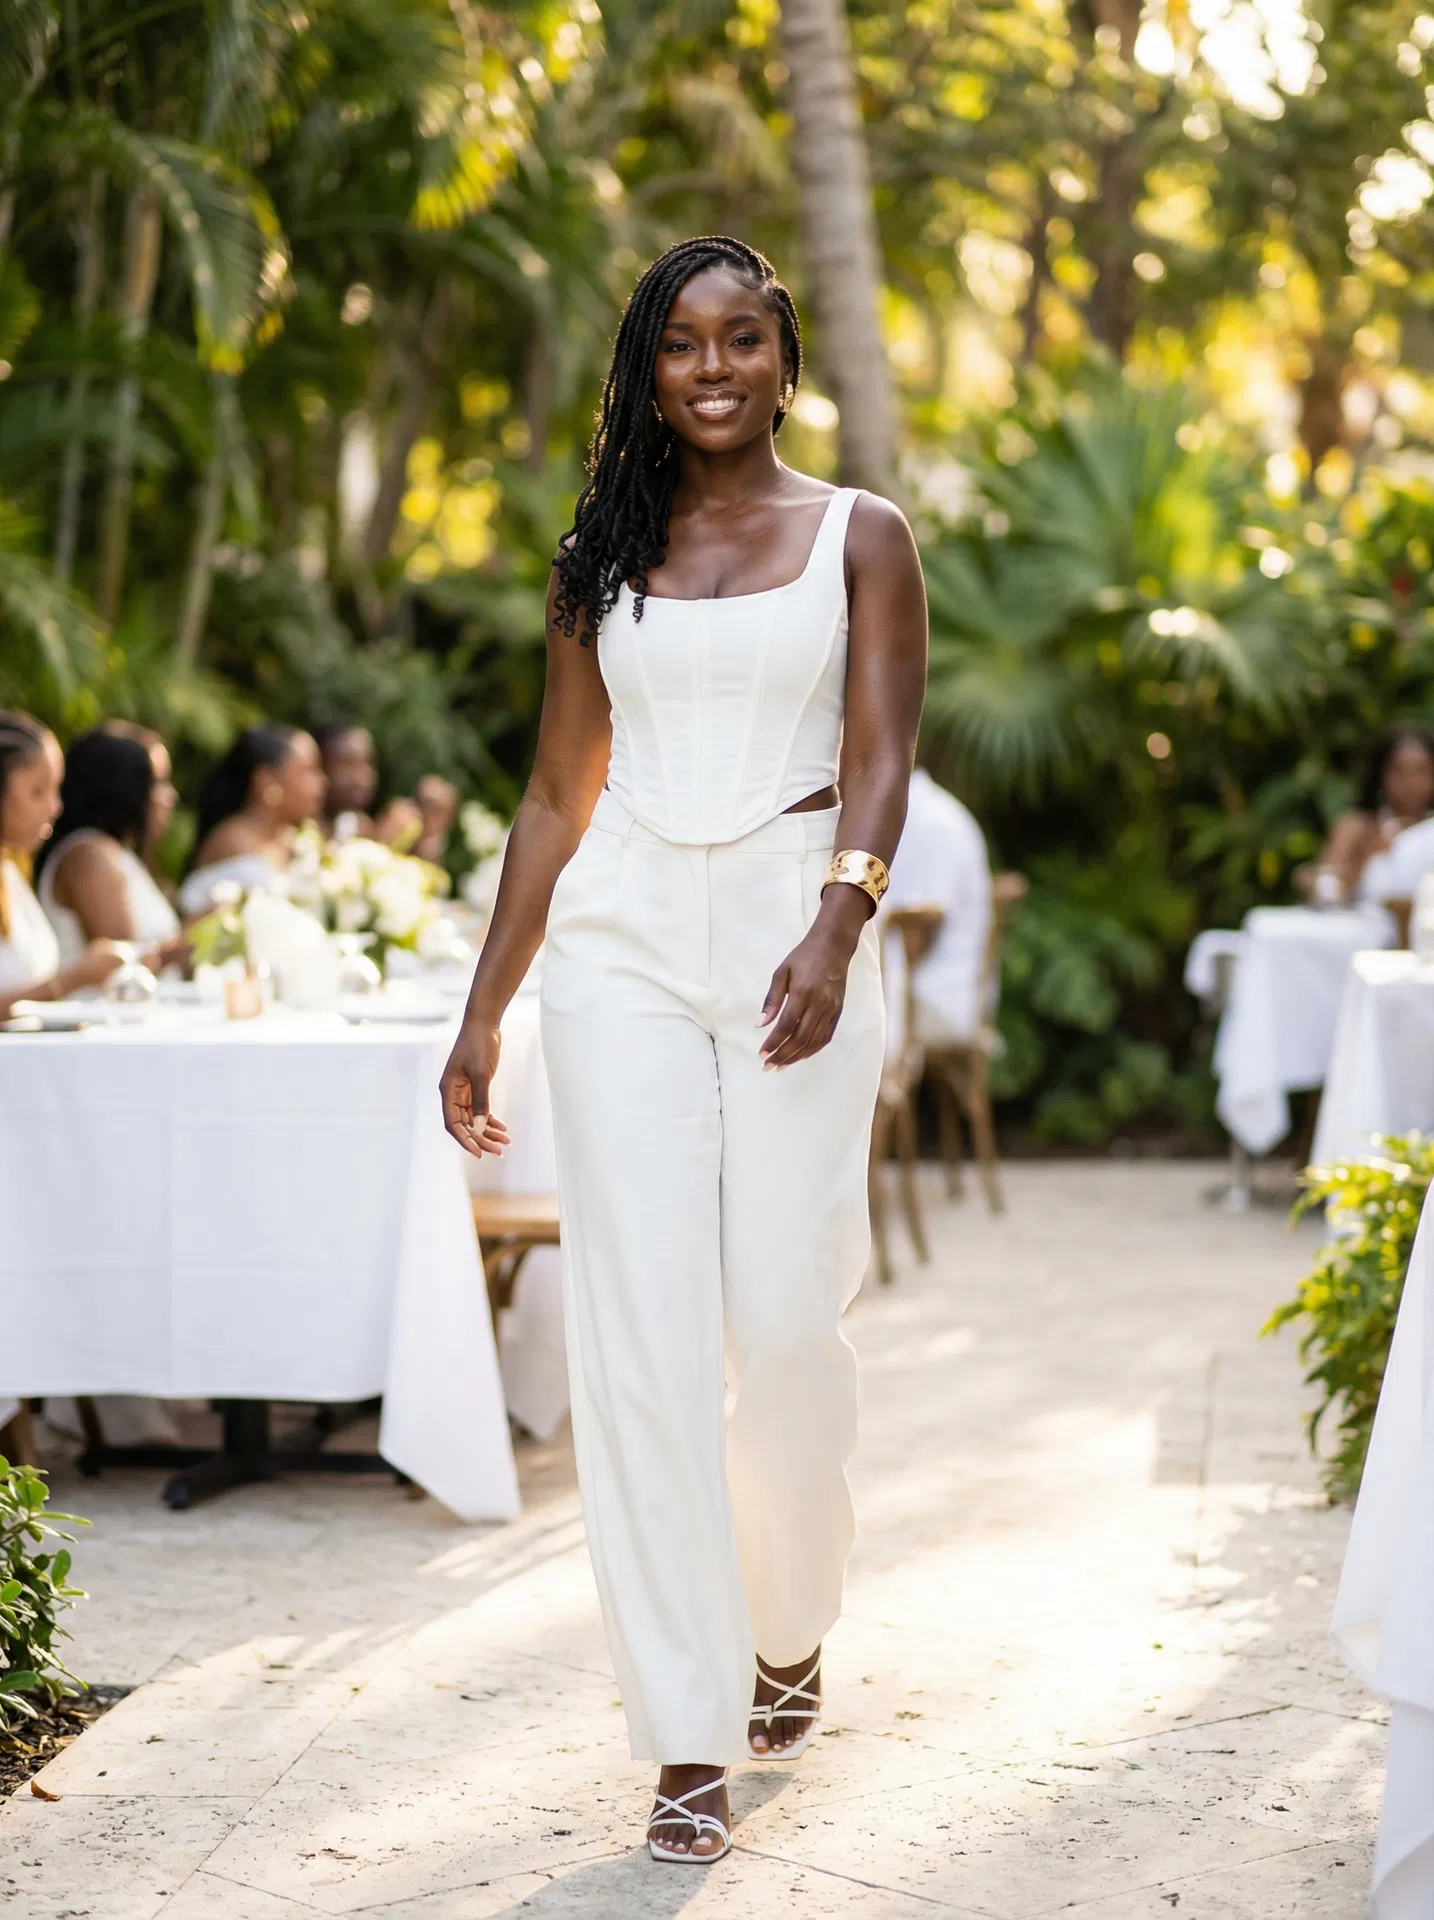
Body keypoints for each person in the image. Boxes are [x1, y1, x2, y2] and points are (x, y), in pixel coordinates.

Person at [439, 237, 926, 1863]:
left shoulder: (861, 537)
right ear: (643, 369)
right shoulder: (599, 558)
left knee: (785, 1329)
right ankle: (685, 1729)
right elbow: (553, 795)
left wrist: (836, 925)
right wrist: (484, 1005)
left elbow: (876, 757)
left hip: (794, 944)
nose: (708, 366)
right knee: (638, 1340)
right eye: (676, 343)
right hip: (622, 950)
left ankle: (788, 1620)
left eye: (738, 339)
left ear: (783, 360)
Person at [0, 712, 123, 1019]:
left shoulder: (11, 872)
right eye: (38, 791)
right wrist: (73, 979)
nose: (56, 808)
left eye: (56, 789)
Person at [36, 725, 182, 964]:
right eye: (156, 783)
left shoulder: (116, 852)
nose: (169, 796)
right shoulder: (90, 856)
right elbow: (124, 964)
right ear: (121, 788)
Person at [884, 766, 992, 1043]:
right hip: (930, 987)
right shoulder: (920, 810)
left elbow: (915, 938)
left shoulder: (931, 823)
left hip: (938, 997)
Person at [180, 723, 325, 916]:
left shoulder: (297, 838)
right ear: (267, 781)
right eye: (308, 771)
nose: (321, 783)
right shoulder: (234, 842)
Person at [1301, 724, 1434, 905]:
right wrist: (1365, 862)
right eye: (1399, 771)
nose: (1412, 783)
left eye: (1422, 771)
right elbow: (1324, 885)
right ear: (1380, 775)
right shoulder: (1358, 828)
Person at [316, 722, 459, 863]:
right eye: (348, 764)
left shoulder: (361, 825)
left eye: (368, 763)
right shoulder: (307, 832)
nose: (362, 778)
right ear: (321, 766)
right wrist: (382, 847)